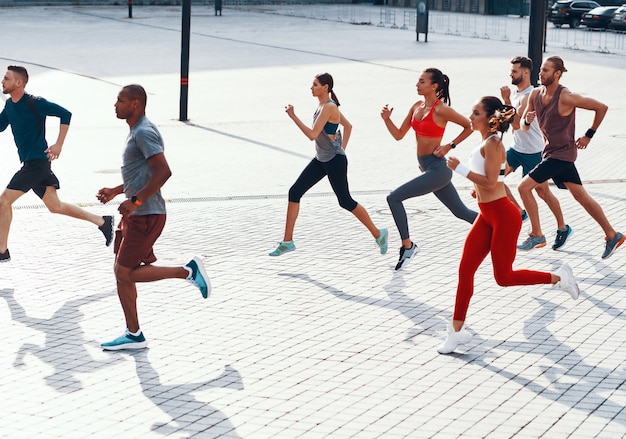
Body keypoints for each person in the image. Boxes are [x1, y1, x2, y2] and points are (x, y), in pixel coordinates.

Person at [440, 96, 579, 355]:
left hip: (504, 216)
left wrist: (460, 170)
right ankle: (456, 332)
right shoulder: (485, 143)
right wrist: (476, 188)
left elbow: (492, 183)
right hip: (487, 214)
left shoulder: (492, 144)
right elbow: (500, 176)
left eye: (475, 112)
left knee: (503, 277)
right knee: (465, 269)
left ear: (490, 117)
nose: (470, 116)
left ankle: (560, 278)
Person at [96, 84, 210, 351]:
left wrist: (135, 201)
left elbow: (163, 171)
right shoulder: (136, 131)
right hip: (136, 213)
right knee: (121, 272)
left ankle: (188, 271)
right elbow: (142, 174)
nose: (115, 104)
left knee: (124, 271)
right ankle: (133, 333)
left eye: (120, 100)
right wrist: (116, 191)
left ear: (135, 104)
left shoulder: (144, 132)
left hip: (146, 214)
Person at [0, 65, 113, 262]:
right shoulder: (10, 106)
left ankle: (2, 251)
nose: (2, 81)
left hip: (36, 164)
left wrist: (58, 144)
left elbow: (65, 114)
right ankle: (102, 221)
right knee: (55, 206)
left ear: (19, 83)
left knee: (3, 201)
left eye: (6, 78)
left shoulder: (35, 103)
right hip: (34, 164)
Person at [269, 73, 387, 257]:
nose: (311, 87)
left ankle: (379, 234)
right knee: (294, 192)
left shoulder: (329, 107)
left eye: (315, 84)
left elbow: (312, 135)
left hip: (334, 161)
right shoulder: (326, 106)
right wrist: (341, 148)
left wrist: (293, 116)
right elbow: (348, 126)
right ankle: (287, 241)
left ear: (325, 87)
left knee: (345, 201)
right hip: (322, 159)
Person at [519, 56, 624, 259]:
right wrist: (526, 119)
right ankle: (612, 235)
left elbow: (601, 107)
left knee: (524, 187)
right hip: (551, 153)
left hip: (562, 155)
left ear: (557, 74)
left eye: (546, 71)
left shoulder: (566, 96)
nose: (541, 73)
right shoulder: (534, 94)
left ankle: (536, 234)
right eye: (541, 70)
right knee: (580, 196)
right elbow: (524, 126)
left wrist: (588, 135)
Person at [381, 68, 477, 270]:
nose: (417, 84)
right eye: (418, 81)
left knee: (394, 198)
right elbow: (399, 135)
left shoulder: (441, 109)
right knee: (461, 212)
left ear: (434, 86)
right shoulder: (416, 106)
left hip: (438, 170)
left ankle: (408, 246)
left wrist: (449, 145)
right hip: (427, 168)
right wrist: (387, 120)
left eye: (422, 82)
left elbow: (469, 126)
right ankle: (499, 229)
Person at [499, 56, 568, 251]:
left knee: (543, 192)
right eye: (511, 71)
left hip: (533, 153)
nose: (511, 75)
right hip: (516, 149)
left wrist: (504, 101)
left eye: (514, 71)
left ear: (526, 73)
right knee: (492, 177)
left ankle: (559, 228)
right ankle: (520, 213)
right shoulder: (516, 93)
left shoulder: (530, 95)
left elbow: (517, 124)